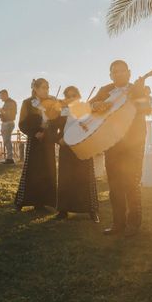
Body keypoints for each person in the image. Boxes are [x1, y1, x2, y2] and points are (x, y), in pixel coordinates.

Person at [91, 60, 152, 237]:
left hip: (133, 142)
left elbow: (147, 108)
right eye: (114, 72)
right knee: (115, 185)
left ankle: (134, 224)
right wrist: (95, 105)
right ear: (110, 75)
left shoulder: (139, 88)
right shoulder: (104, 90)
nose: (118, 74)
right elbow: (89, 106)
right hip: (112, 142)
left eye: (121, 71)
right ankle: (118, 224)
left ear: (129, 72)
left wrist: (138, 94)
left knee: (131, 183)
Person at [54, 86, 99, 222]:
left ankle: (92, 210)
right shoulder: (62, 111)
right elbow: (54, 127)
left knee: (86, 178)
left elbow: (93, 126)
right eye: (68, 96)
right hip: (66, 148)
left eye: (74, 95)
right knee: (65, 179)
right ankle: (63, 210)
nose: (71, 98)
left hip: (82, 147)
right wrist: (58, 140)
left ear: (78, 96)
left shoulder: (86, 108)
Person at [15, 78, 57, 211]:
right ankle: (35, 201)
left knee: (49, 169)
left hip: (49, 141)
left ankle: (49, 200)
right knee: (34, 170)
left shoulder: (53, 101)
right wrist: (34, 133)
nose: (46, 90)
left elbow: (58, 120)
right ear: (36, 89)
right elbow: (22, 124)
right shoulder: (27, 103)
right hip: (35, 141)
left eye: (48, 87)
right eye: (43, 87)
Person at [0, 89, 18, 164]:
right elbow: (3, 115)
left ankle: (10, 159)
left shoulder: (10, 103)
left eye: (1, 96)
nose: (0, 98)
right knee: (7, 141)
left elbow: (10, 114)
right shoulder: (7, 103)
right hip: (6, 123)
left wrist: (2, 111)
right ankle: (9, 158)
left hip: (8, 123)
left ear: (5, 95)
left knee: (7, 141)